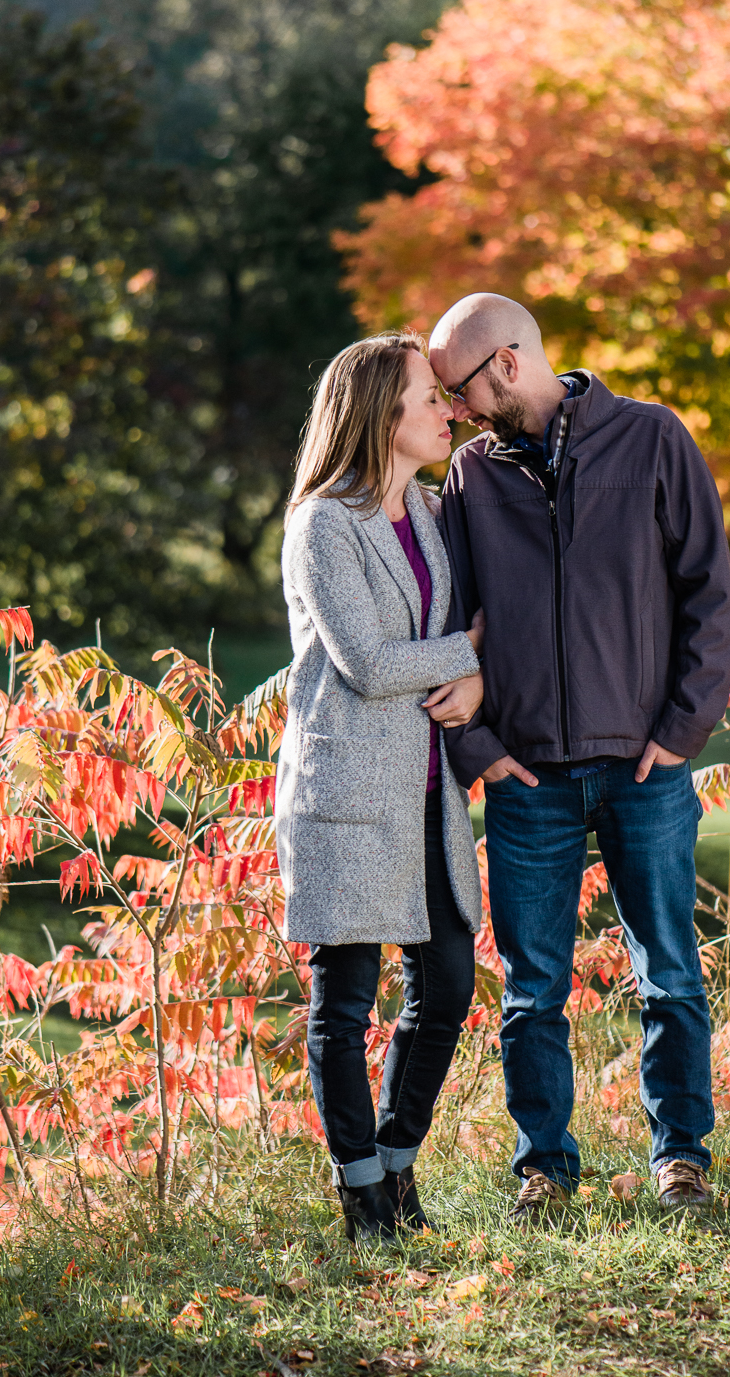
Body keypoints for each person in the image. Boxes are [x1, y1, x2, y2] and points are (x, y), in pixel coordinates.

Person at [429, 293, 730, 1223]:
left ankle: (681, 1157)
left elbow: (710, 602)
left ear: (510, 363)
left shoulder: (652, 441)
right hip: (530, 781)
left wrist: (680, 733)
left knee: (670, 973)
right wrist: (480, 752)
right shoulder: (472, 479)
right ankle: (544, 1170)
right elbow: (447, 629)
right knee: (531, 992)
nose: (460, 414)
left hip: (646, 771)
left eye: (465, 390)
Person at [275, 330, 486, 1244]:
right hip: (350, 791)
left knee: (445, 987)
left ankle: (397, 1160)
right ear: (379, 413)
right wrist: (470, 653)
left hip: (431, 793)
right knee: (345, 998)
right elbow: (363, 661)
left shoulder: (433, 512)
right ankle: (362, 1193)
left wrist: (469, 679)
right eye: (430, 396)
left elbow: (438, 646)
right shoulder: (323, 522)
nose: (449, 410)